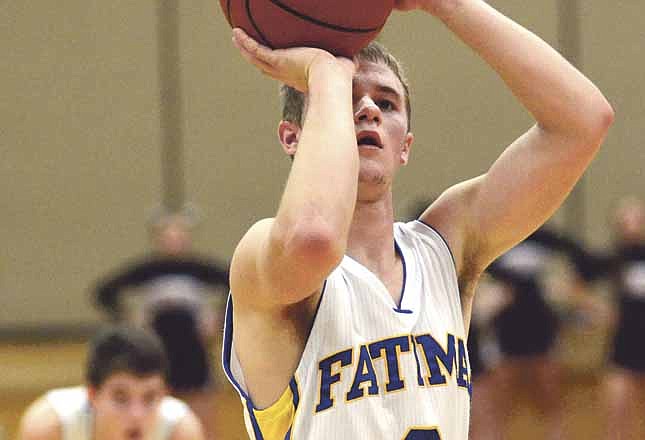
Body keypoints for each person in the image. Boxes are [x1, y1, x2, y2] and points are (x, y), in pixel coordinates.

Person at [223, 0, 613, 438]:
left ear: (405, 146)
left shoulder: (447, 245)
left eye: (386, 104)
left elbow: (583, 123)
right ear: (293, 137)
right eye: (348, 99)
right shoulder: (260, 255)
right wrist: (327, 74)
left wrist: (447, 4)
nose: (368, 109)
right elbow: (315, 238)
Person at [94, 211, 229, 439]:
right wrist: (129, 319)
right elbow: (104, 292)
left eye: (179, 234)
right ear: (158, 238)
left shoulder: (200, 268)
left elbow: (235, 284)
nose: (174, 239)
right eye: (169, 234)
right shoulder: (146, 270)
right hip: (160, 348)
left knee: (201, 412)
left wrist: (218, 318)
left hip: (193, 348)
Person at [470, 227, 585, 439]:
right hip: (505, 333)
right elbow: (478, 274)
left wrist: (569, 286)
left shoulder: (548, 239)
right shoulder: (496, 236)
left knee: (549, 396)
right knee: (500, 402)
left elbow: (583, 260)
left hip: (543, 332)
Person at [574, 196, 645, 439]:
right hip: (622, 344)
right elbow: (574, 287)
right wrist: (601, 309)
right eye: (624, 219)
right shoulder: (613, 258)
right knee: (616, 413)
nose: (630, 224)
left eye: (635, 218)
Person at [17, 326, 204, 440]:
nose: (137, 415)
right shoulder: (49, 426)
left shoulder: (181, 430)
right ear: (92, 394)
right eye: (121, 398)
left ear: (165, 395)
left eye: (149, 398)